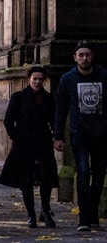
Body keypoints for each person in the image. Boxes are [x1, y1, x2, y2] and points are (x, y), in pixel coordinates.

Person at [53, 42, 107, 233]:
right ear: (75, 58)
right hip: (80, 133)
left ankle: (93, 213)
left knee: (99, 176)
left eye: (87, 55)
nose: (84, 59)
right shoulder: (67, 79)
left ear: (93, 56)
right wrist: (58, 136)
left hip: (102, 134)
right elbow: (61, 109)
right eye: (81, 55)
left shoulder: (103, 76)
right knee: (83, 173)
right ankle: (84, 218)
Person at [0, 65, 58, 228]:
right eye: (35, 79)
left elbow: (54, 119)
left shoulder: (48, 98)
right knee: (26, 179)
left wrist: (55, 136)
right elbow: (9, 120)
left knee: (46, 177)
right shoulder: (19, 97)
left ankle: (45, 210)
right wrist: (16, 136)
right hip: (24, 142)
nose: (38, 82)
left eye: (41, 79)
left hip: (43, 141)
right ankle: (31, 214)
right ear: (29, 79)